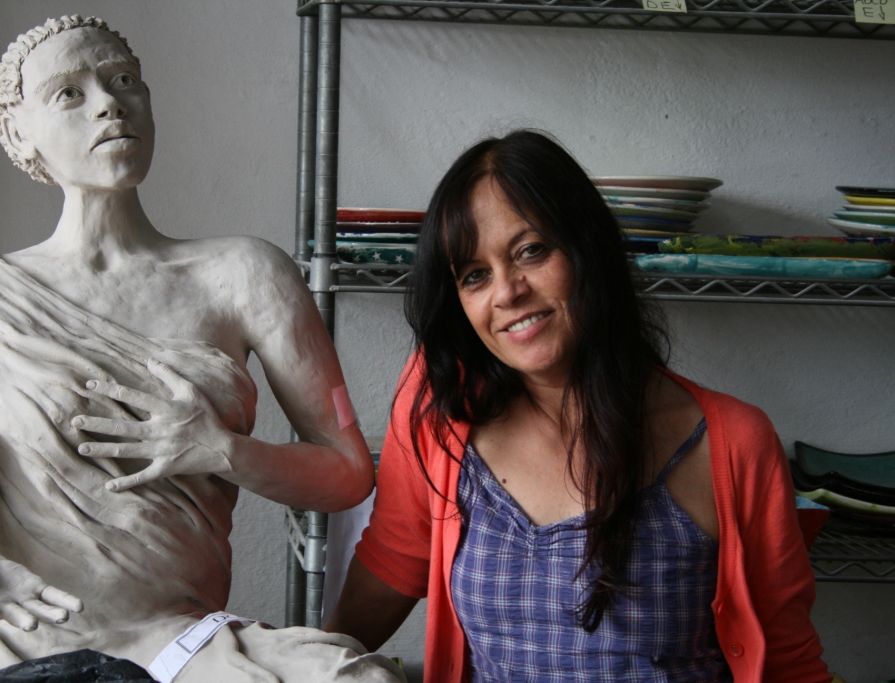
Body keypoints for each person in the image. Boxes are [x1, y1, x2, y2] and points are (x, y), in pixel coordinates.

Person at [0, 15, 404, 683]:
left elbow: (348, 472)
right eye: (69, 93)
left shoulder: (245, 275)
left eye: (124, 80)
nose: (109, 103)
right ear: (18, 130)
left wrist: (224, 449)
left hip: (173, 638)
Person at [324, 130, 834, 683]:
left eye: (531, 251)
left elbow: (788, 663)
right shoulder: (441, 406)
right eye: (475, 275)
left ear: (587, 248)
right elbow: (395, 560)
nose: (507, 292)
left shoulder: (732, 444)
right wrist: (299, 663)